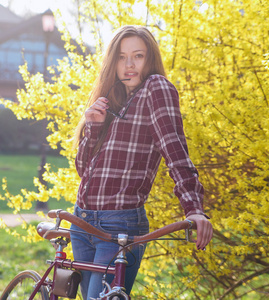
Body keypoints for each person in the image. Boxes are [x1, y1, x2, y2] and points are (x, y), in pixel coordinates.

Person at [70, 25, 213, 300]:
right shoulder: (114, 99)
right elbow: (83, 171)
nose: (129, 64)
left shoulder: (156, 88)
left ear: (150, 59)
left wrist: (194, 208)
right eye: (122, 57)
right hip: (82, 221)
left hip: (118, 225)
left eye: (138, 55)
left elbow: (176, 151)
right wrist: (93, 128)